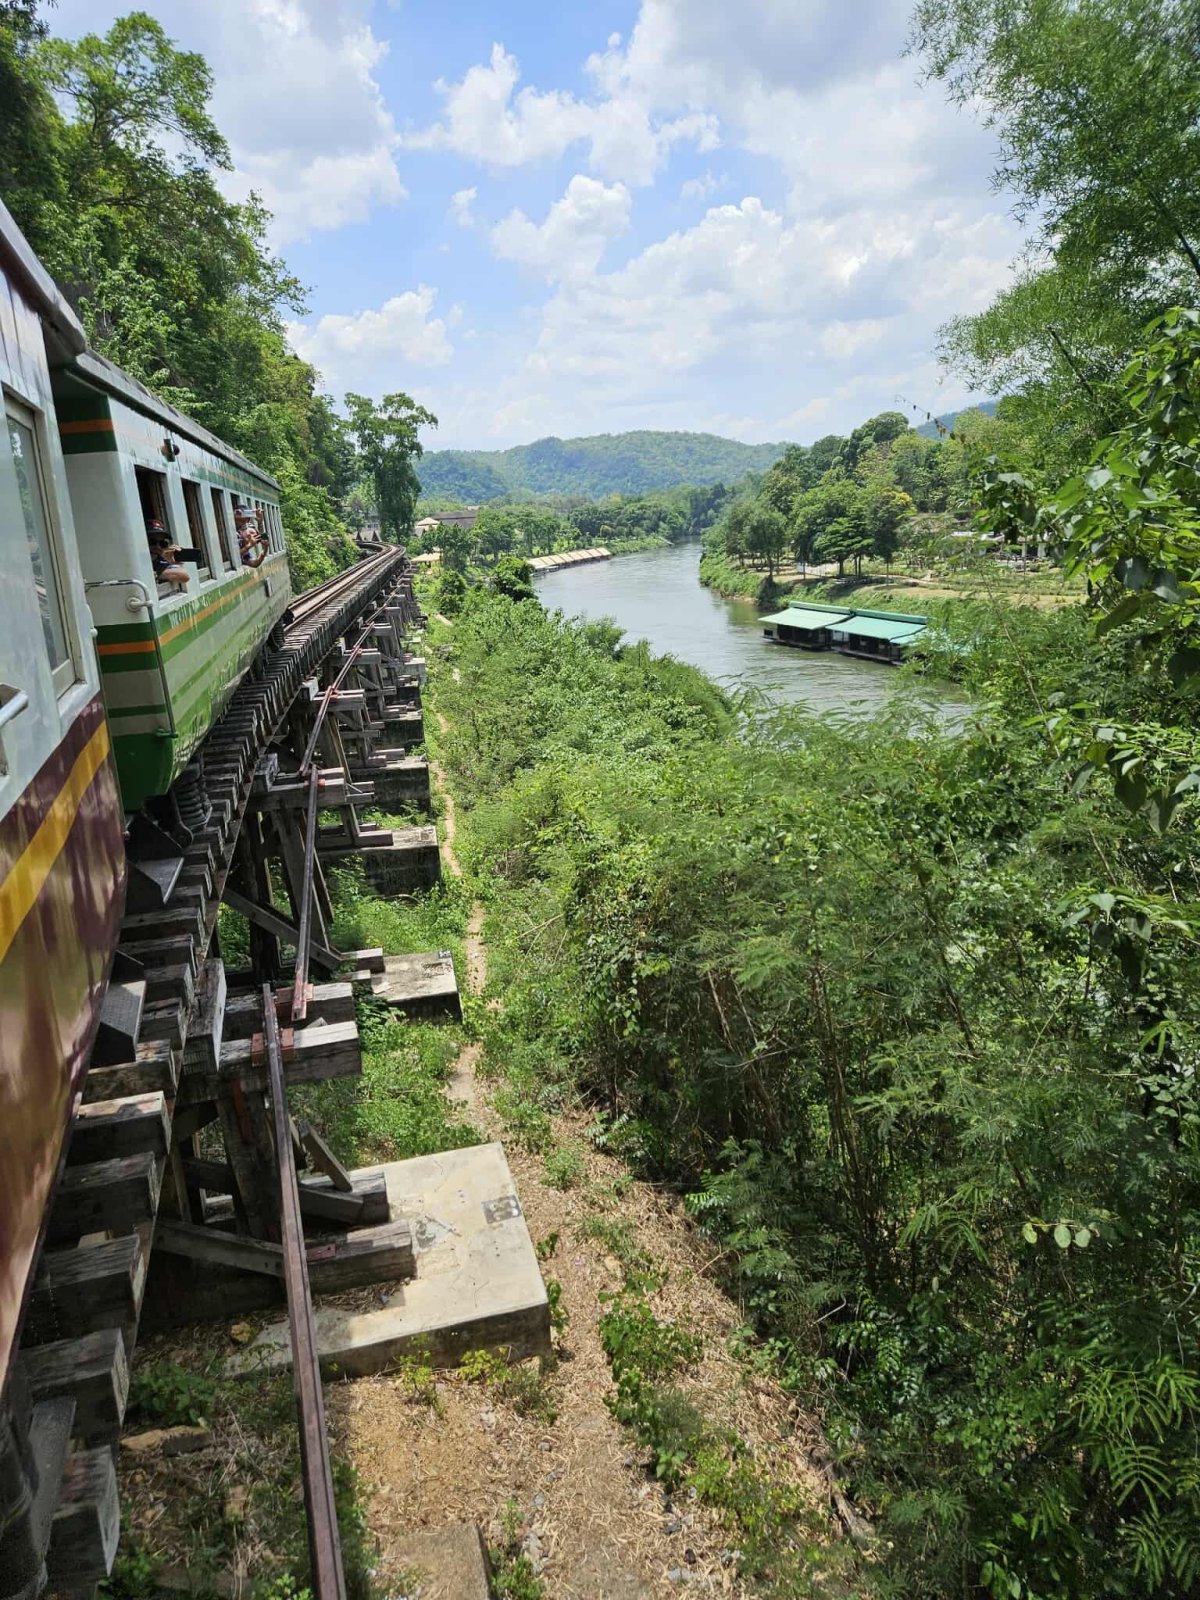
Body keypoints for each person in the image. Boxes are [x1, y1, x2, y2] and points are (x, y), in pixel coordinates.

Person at [146, 519, 189, 590]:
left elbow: (184, 576)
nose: (158, 547)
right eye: (152, 542)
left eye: (163, 544)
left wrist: (172, 562)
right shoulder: (142, 563)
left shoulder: (159, 560)